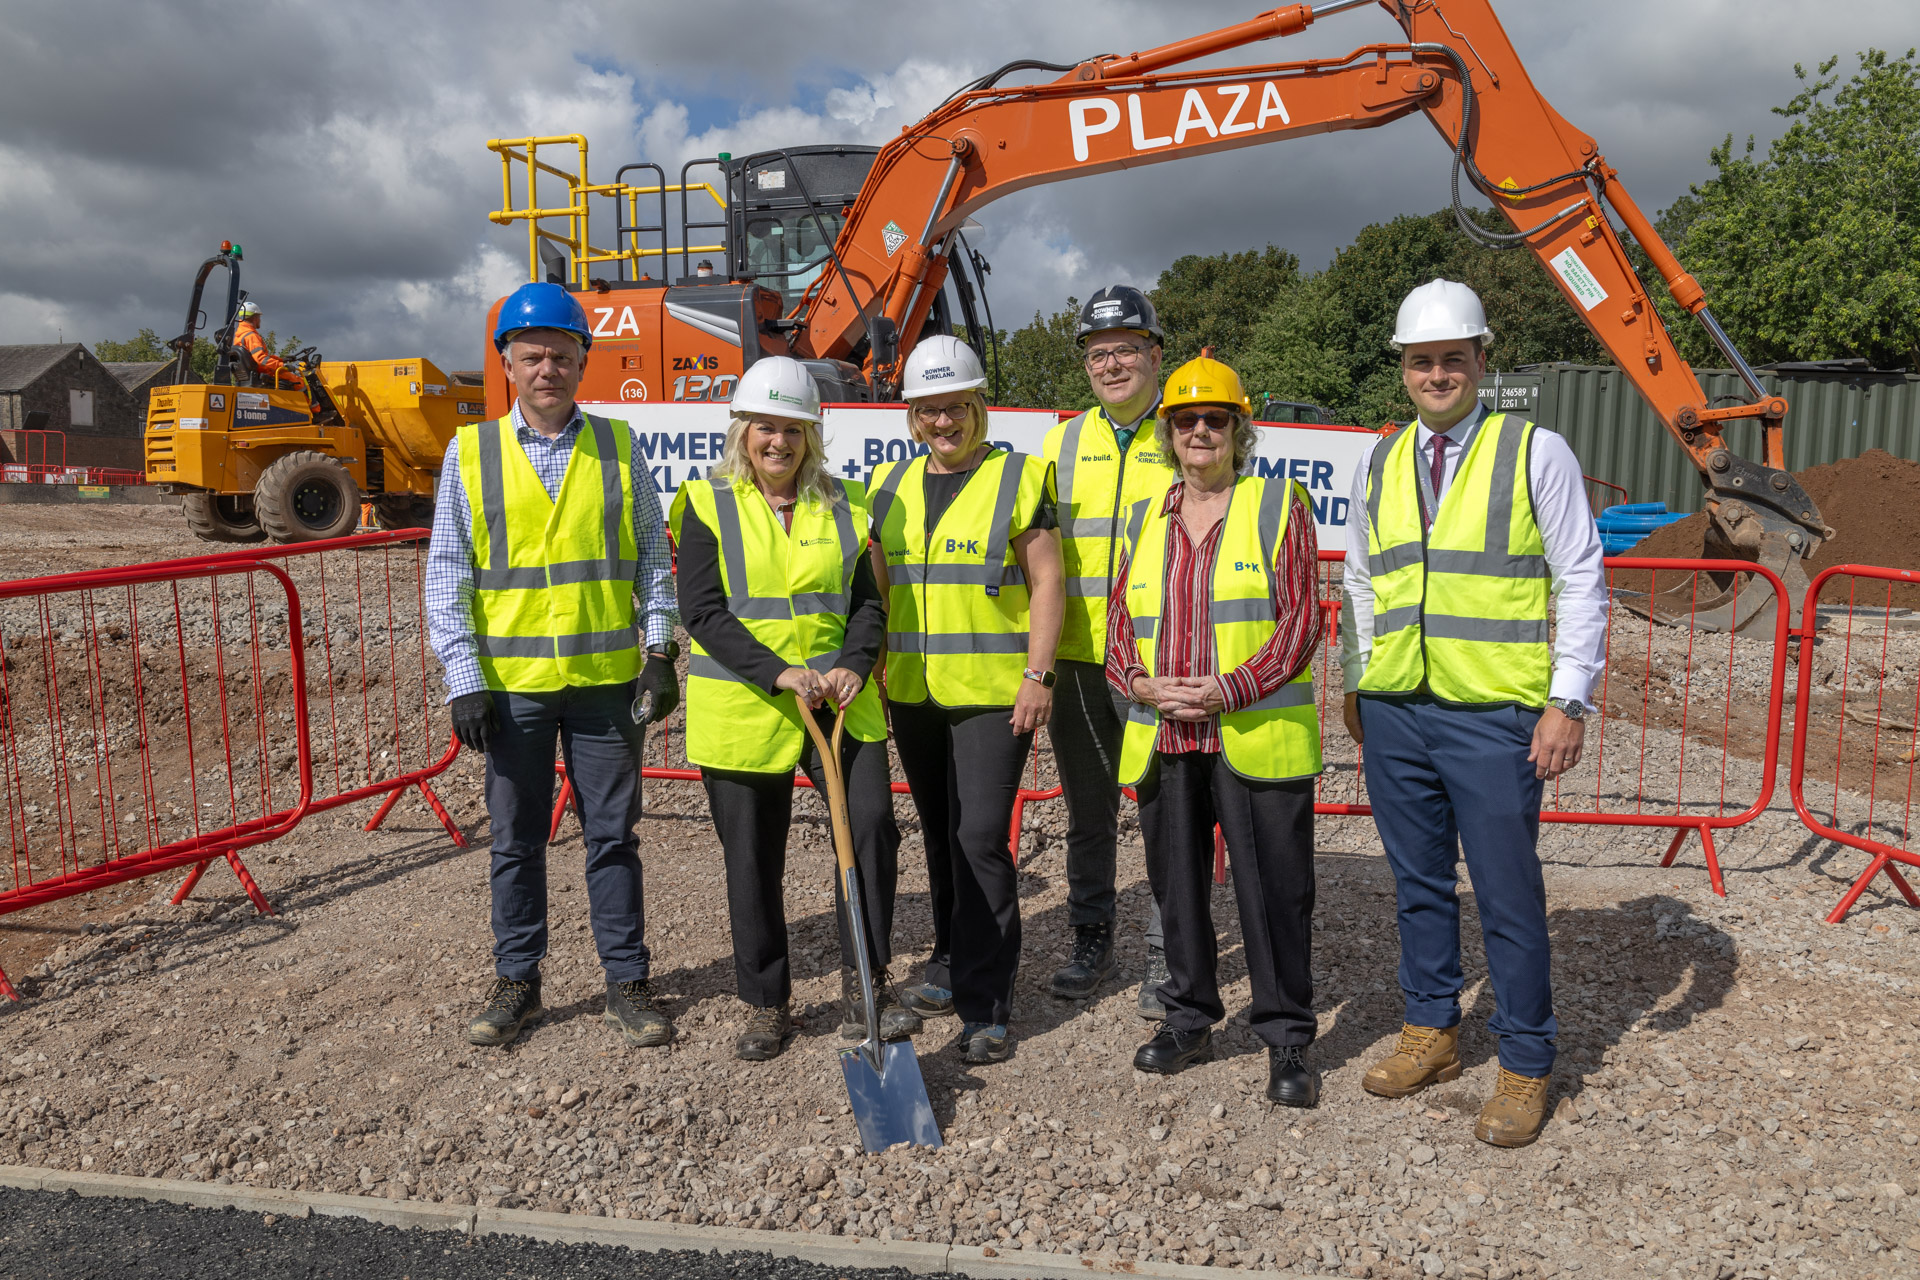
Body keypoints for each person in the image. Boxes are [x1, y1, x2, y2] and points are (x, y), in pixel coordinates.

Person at [1342, 279, 1607, 1148]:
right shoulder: (1380, 459)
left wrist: (1568, 698)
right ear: (1404, 369)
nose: (1437, 373)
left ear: (1481, 360)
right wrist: (1360, 678)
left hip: (1495, 712)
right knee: (1417, 885)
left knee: (1506, 892)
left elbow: (1580, 576)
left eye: (1453, 358)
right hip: (1397, 710)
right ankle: (1433, 1033)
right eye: (1422, 360)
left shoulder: (1535, 451)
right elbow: (1360, 579)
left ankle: (1526, 1065)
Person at [425, 280, 682, 1051]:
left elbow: (653, 565)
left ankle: (627, 981)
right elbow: (448, 573)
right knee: (516, 841)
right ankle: (518, 980)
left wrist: (661, 651)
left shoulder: (618, 445)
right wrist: (464, 680)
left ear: (583, 364)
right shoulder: (469, 452)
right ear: (507, 363)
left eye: (562, 356)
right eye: (532, 355)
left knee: (613, 837)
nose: (548, 368)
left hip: (607, 687)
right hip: (513, 692)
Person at [669, 356, 921, 1061]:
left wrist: (852, 666)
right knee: (751, 859)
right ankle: (766, 1002)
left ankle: (866, 982)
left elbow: (868, 605)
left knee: (871, 829)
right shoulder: (705, 501)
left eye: (794, 430)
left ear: (813, 435)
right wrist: (776, 672)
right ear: (743, 431)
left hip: (839, 702)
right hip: (746, 707)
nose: (778, 442)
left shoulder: (845, 504)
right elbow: (702, 610)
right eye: (766, 428)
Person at [1106, 355, 1324, 1107]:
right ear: (1167, 432)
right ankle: (1188, 1016)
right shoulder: (1143, 515)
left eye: (1215, 419)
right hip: (1166, 734)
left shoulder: (1276, 503)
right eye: (1186, 420)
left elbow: (1301, 622)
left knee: (1275, 891)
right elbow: (1115, 629)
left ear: (1238, 428)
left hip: (1254, 733)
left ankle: (1287, 1036)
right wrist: (1136, 681)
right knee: (1178, 889)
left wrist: (1229, 690)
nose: (1200, 430)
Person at [871, 334, 1064, 1063]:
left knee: (981, 839)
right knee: (944, 835)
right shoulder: (889, 489)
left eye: (955, 408)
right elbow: (882, 595)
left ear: (979, 405)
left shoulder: (1019, 477)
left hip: (994, 697)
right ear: (913, 417)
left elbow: (1047, 580)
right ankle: (949, 965)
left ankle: (987, 1002)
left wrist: (1038, 676)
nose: (944, 423)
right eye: (929, 412)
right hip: (916, 693)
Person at [1041, 286, 1177, 1013]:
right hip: (1079, 660)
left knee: (1161, 809)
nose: (1113, 363)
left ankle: (1166, 951)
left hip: (1156, 666)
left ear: (1155, 356)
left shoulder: (1184, 433)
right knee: (1087, 810)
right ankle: (1091, 937)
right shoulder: (1062, 442)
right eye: (1099, 353)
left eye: (1127, 348)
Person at [231, 301, 303, 389]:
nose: (260, 320)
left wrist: (281, 359)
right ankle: (313, 403)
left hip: (255, 373)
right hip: (265, 373)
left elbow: (256, 357)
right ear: (255, 317)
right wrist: (282, 366)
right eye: (259, 317)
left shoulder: (239, 336)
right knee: (300, 382)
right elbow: (261, 359)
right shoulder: (251, 336)